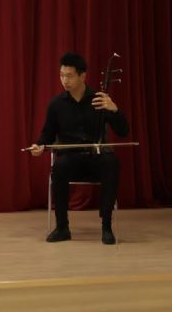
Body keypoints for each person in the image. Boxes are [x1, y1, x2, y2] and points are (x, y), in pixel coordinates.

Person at [29, 52, 129, 245]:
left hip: (96, 158)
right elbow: (47, 135)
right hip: (70, 159)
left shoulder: (100, 100)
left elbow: (123, 131)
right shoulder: (56, 104)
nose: (64, 80)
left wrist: (114, 110)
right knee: (59, 166)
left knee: (111, 163)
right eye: (62, 75)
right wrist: (39, 145)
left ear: (83, 76)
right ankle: (62, 227)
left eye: (69, 76)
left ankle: (107, 226)